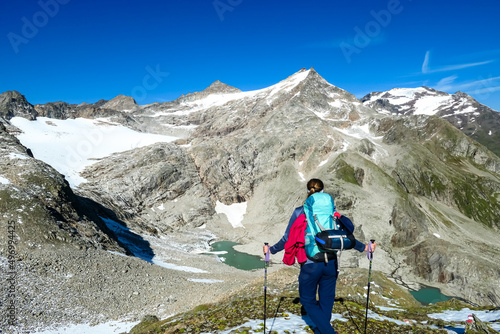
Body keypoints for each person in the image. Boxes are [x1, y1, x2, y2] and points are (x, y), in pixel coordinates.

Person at [263, 178, 376, 334]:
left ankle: (328, 332)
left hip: (310, 264)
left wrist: (271, 250)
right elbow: (342, 235)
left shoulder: (300, 211)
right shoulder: (332, 211)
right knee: (326, 300)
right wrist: (364, 247)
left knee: (307, 300)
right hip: (330, 263)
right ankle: (322, 329)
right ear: (323, 191)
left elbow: (287, 239)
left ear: (308, 191)